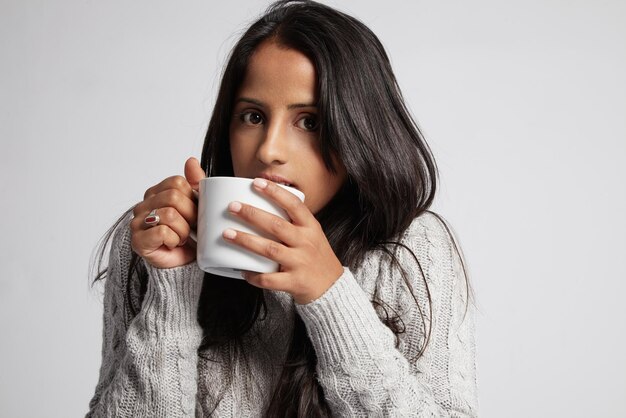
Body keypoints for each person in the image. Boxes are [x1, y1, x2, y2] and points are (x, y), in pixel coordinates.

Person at [86, 0, 479, 416]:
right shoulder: (159, 240)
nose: (269, 150)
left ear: (360, 132)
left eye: (310, 122)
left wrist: (330, 296)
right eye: (252, 116)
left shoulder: (413, 248)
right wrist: (173, 293)